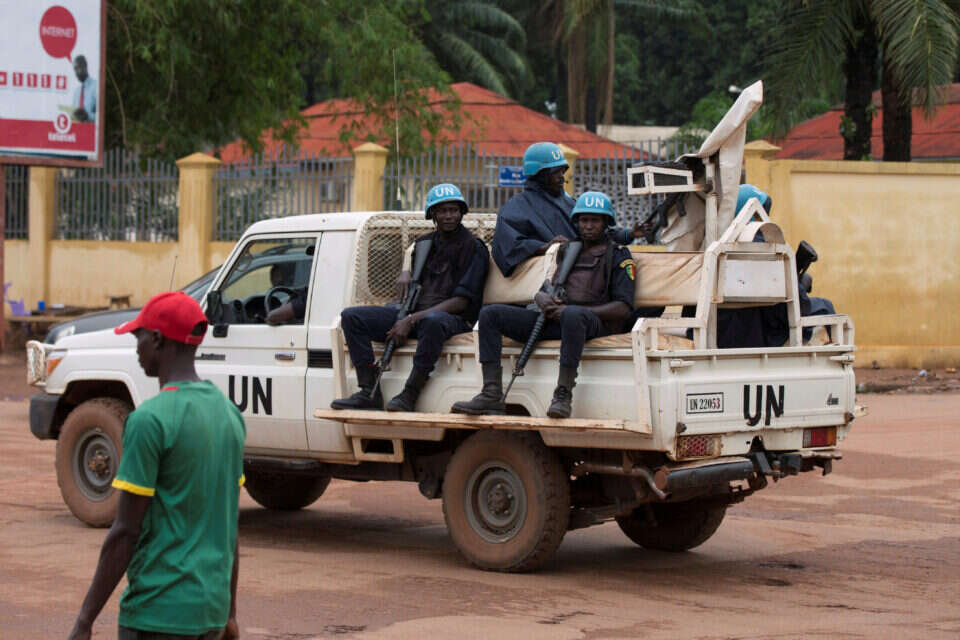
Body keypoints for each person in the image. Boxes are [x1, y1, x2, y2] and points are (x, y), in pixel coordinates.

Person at [68, 292, 244, 640]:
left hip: (157, 613)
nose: (136, 348)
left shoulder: (149, 420)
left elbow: (125, 532)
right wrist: (230, 613)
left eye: (139, 337)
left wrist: (84, 620)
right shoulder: (229, 415)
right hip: (211, 611)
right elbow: (228, 527)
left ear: (158, 340)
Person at [453, 191, 635, 418]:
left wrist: (571, 311)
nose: (588, 226)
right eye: (583, 220)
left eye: (594, 220)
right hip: (557, 319)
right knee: (490, 314)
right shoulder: (567, 250)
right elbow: (547, 286)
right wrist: (541, 298)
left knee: (573, 315)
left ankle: (562, 395)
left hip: (592, 323)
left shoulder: (619, 255)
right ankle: (491, 393)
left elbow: (623, 308)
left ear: (606, 222)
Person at [331, 183, 489, 412]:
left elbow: (461, 302)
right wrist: (405, 273)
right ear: (432, 215)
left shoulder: (474, 247)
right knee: (352, 317)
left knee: (433, 321)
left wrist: (410, 319)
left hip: (453, 319)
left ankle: (409, 394)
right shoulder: (424, 244)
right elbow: (412, 283)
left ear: (462, 212)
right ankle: (368, 391)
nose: (449, 216)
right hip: (414, 314)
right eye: (442, 211)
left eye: (454, 210)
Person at [490, 141, 645, 277]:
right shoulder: (515, 208)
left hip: (585, 271)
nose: (562, 177)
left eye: (562, 171)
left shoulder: (570, 203)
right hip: (544, 282)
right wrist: (546, 247)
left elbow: (599, 234)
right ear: (539, 174)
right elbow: (508, 249)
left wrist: (629, 234)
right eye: (555, 172)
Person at [72, 55, 96, 123]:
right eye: (75, 69)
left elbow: (101, 114)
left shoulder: (96, 86)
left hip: (92, 128)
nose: (76, 73)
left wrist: (88, 116)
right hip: (77, 128)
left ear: (85, 66)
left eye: (78, 68)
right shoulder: (76, 92)